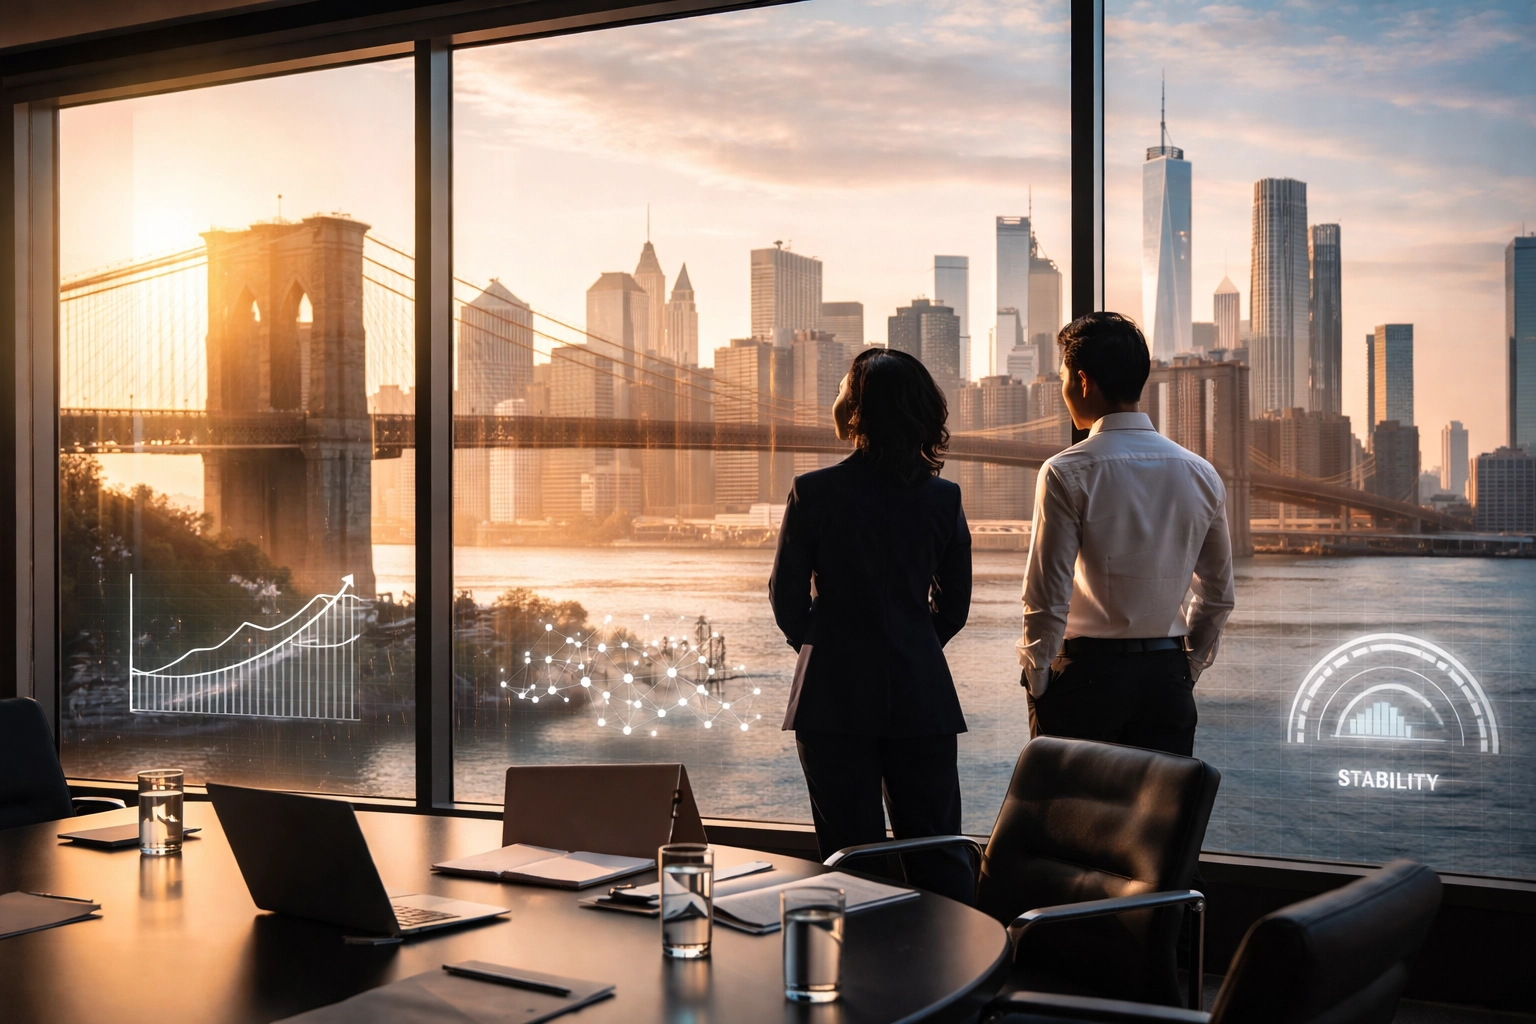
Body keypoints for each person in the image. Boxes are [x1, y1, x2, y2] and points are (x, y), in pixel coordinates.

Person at [770, 347, 974, 903]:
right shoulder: (943, 498)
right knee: (938, 850)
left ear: (858, 410)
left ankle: (861, 980)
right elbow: (954, 606)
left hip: (831, 701)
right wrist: (911, 642)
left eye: (841, 390)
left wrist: (829, 645)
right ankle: (961, 970)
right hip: (923, 697)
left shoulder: (812, 493)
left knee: (848, 858)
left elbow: (786, 602)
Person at [1018, 312, 1235, 757]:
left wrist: (1040, 681)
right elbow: (1217, 595)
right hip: (1166, 681)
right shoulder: (1202, 473)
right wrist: (1185, 667)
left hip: (1085, 680)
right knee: (1154, 823)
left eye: (1061, 378)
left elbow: (1047, 597)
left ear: (1082, 381)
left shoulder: (1065, 471)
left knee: (1074, 820)